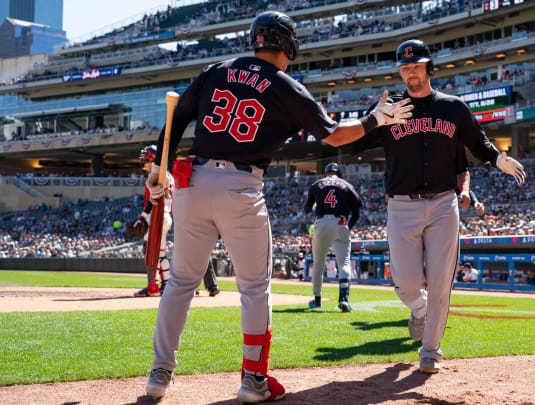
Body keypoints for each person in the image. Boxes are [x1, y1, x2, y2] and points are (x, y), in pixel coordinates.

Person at [143, 11, 413, 401]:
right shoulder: (286, 86)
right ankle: (253, 380)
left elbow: (177, 117)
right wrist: (375, 120)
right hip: (240, 186)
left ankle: (159, 373)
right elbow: (335, 136)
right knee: (254, 287)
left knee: (181, 283)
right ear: (287, 44)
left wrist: (158, 169)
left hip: (193, 183)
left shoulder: (217, 69)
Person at [346, 39, 525, 374]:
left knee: (443, 280)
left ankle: (430, 349)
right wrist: (373, 119)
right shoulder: (391, 109)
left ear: (428, 68)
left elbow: (477, 141)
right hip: (401, 205)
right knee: (406, 283)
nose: (411, 71)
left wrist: (497, 159)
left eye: (417, 65)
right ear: (399, 71)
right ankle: (417, 307)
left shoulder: (453, 107)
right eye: (405, 67)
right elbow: (353, 143)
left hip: (444, 203)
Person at [304, 162, 361, 312]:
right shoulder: (347, 185)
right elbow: (357, 210)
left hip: (321, 222)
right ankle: (344, 299)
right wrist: (349, 226)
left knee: (318, 263)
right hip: (341, 222)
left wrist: (313, 222)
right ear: (339, 174)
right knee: (344, 263)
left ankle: (317, 300)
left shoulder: (316, 184)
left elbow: (307, 208)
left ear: (326, 173)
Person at [130, 145, 174, 297]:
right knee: (160, 253)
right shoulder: (169, 175)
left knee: (151, 253)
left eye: (147, 162)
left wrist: (143, 216)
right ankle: (167, 285)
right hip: (167, 216)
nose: (146, 165)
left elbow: (153, 199)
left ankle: (152, 287)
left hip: (157, 216)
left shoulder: (157, 176)